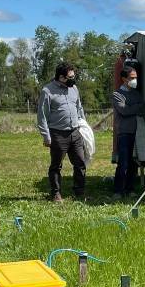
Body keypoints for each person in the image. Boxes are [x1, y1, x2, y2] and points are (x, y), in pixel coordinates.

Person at [37, 62, 87, 202]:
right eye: (70, 77)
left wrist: (83, 125)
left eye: (73, 75)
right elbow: (42, 116)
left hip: (75, 133)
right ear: (61, 77)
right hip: (58, 134)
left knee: (80, 163)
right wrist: (46, 136)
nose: (73, 78)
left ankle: (79, 191)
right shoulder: (47, 91)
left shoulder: (74, 88)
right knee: (56, 165)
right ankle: (56, 193)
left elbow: (79, 107)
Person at [112, 66, 145, 199]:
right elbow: (123, 111)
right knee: (123, 163)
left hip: (137, 133)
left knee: (133, 163)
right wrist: (136, 107)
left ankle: (130, 188)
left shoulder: (136, 93)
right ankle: (118, 191)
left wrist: (132, 107)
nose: (135, 80)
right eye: (132, 78)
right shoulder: (117, 94)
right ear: (124, 79)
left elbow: (144, 109)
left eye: (135, 77)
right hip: (124, 133)